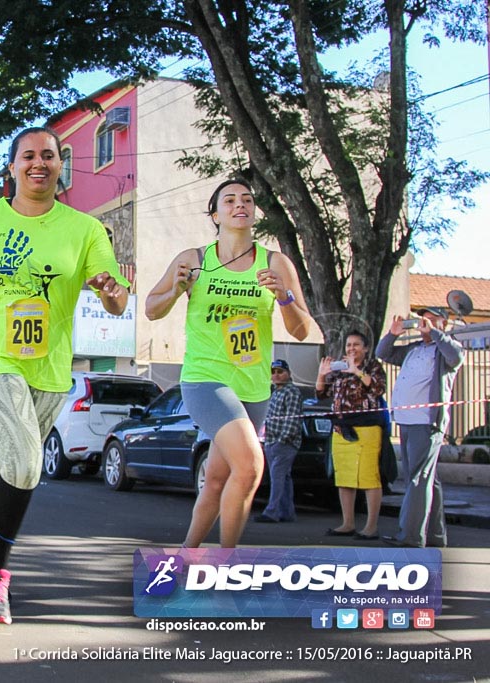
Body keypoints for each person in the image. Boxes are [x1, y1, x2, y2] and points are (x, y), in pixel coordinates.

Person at [0, 126, 130, 625]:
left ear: (61, 166)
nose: (40, 163)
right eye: (29, 156)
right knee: (24, 458)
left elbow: (117, 299)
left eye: (50, 156)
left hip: (49, 368)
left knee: (13, 467)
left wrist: (108, 288)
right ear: (11, 167)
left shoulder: (85, 229)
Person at [145, 178, 311, 549]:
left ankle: (187, 555)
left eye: (247, 200)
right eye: (230, 200)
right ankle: (226, 563)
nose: (240, 205)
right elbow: (151, 310)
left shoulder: (276, 262)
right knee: (251, 466)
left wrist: (283, 297)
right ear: (215, 214)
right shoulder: (195, 259)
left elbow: (302, 330)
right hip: (206, 379)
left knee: (218, 478)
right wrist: (176, 289)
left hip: (253, 384)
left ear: (255, 212)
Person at [377, 307, 465, 548]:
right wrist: (393, 334)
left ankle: (411, 536)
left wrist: (435, 332)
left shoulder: (446, 347)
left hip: (426, 422)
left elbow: (456, 357)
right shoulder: (414, 348)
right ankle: (436, 536)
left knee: (418, 479)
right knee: (427, 479)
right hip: (406, 420)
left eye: (431, 318)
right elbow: (383, 353)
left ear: (443, 323)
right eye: (422, 318)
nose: (423, 322)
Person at [316, 330, 387, 540]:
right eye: (348, 345)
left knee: (368, 477)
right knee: (344, 477)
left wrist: (357, 371)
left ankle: (371, 527)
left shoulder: (372, 366)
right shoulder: (340, 370)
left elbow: (378, 389)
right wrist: (322, 374)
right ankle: (347, 523)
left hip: (366, 429)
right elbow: (321, 393)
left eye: (356, 345)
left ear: (365, 348)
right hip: (341, 429)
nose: (351, 349)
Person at [254, 359, 304, 524]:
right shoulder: (276, 392)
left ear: (288, 373)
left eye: (280, 372)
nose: (276, 375)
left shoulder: (292, 392)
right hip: (271, 440)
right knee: (284, 477)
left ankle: (272, 512)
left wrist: (282, 440)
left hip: (284, 443)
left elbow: (292, 420)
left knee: (277, 476)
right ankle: (287, 512)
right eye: (273, 372)